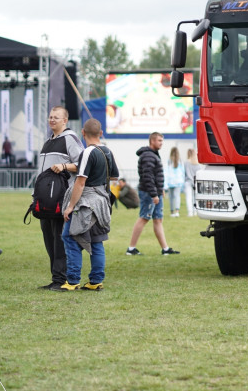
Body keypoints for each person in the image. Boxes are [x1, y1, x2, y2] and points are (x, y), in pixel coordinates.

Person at [59, 119, 118, 291]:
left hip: (86, 203)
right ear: (100, 133)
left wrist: (70, 206)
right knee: (97, 241)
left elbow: (80, 183)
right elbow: (114, 176)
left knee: (70, 236)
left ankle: (72, 281)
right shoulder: (107, 151)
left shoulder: (87, 153)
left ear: (83, 133)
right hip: (102, 202)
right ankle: (95, 281)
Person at [34, 106, 84, 290]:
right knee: (49, 239)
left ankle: (62, 279)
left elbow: (83, 164)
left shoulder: (70, 139)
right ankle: (56, 278)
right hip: (45, 200)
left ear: (65, 121)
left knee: (59, 239)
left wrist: (64, 166)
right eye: (50, 117)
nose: (52, 120)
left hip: (61, 198)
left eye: (56, 117)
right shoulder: (48, 141)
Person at [127, 132, 180, 256]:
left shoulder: (154, 155)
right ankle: (131, 249)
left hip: (155, 192)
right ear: (152, 141)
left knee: (158, 219)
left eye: (162, 140)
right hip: (148, 193)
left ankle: (165, 249)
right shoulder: (148, 156)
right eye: (159, 140)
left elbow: (155, 176)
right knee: (144, 218)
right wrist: (154, 194)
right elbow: (148, 177)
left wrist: (160, 189)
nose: (161, 143)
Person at [164, 146, 185, 217]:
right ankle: (177, 211)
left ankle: (172, 212)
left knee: (171, 197)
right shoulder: (180, 161)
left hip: (170, 182)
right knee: (177, 196)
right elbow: (183, 172)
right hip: (178, 182)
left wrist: (165, 183)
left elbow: (166, 172)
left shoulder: (169, 161)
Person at [184, 148, 200, 216]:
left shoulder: (186, 162)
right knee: (195, 197)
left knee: (189, 197)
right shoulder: (197, 162)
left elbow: (187, 173)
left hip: (188, 181)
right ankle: (195, 210)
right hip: (196, 181)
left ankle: (190, 212)